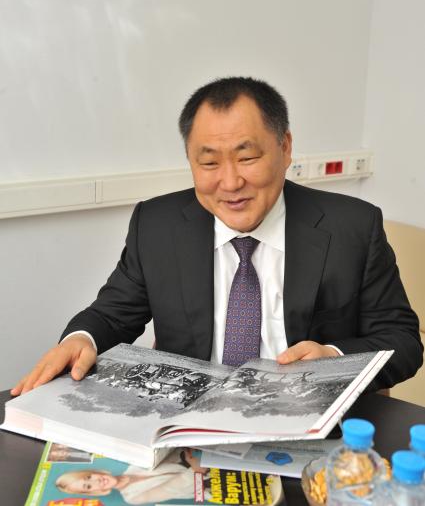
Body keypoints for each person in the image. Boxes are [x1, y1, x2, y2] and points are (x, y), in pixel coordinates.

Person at [11, 77, 423, 396]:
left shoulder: (352, 227)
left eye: (247, 157)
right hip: (187, 422)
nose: (230, 182)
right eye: (209, 163)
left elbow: (402, 340)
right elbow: (112, 315)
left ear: (285, 148)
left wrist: (332, 359)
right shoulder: (157, 225)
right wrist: (80, 338)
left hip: (307, 420)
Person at [55, 448, 208, 504]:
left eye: (88, 477)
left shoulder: (135, 465)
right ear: (94, 492)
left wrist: (186, 453)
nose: (96, 480)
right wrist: (195, 469)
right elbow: (174, 488)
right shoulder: (132, 498)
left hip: (201, 463)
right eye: (88, 486)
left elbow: (171, 455)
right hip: (208, 484)